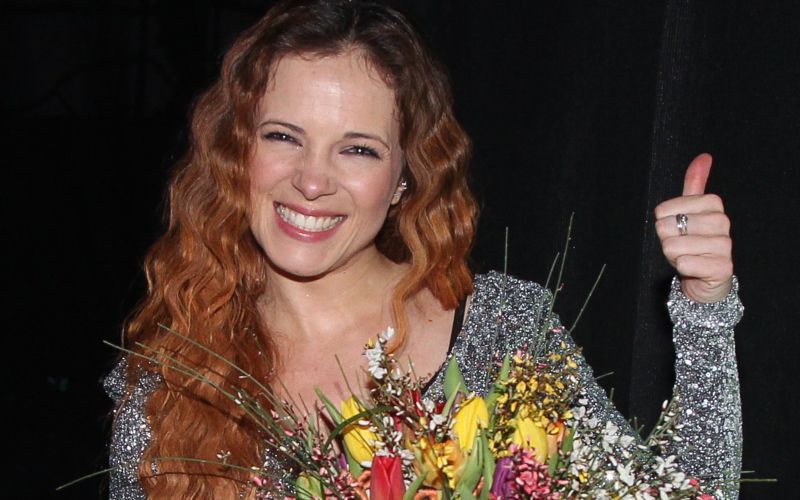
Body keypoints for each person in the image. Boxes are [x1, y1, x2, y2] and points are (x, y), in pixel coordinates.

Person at [104, 0, 743, 498]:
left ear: (404, 178)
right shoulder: (169, 382)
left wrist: (705, 308)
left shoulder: (503, 332)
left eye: (358, 149)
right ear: (236, 151)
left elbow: (683, 495)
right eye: (283, 137)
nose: (312, 180)